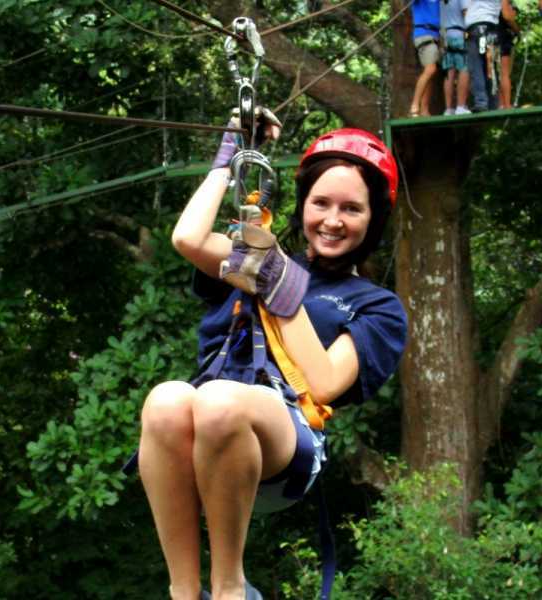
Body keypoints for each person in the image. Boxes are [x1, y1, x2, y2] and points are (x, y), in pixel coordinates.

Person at [137, 120, 408, 600]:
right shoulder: (258, 255)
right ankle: (183, 591)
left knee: (219, 400)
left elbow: (322, 383)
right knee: (165, 400)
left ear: (373, 220)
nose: (332, 219)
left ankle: (229, 589)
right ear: (303, 205)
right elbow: (188, 239)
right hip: (207, 437)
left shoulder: (375, 306)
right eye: (320, 203)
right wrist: (230, 155)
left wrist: (278, 282)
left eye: (351, 209)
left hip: (286, 438)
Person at [464, 0, 517, 112]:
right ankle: (493, 103)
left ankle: (481, 102)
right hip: (490, 29)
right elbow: (507, 15)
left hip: (474, 29)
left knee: (477, 65)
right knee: (490, 66)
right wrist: (517, 30)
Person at [409, 0, 442, 116]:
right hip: (424, 34)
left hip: (435, 35)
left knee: (430, 74)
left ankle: (424, 109)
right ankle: (415, 104)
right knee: (430, 69)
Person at [441, 0, 471, 115]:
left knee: (449, 71)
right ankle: (461, 106)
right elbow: (466, 14)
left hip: (446, 36)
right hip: (460, 34)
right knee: (464, 69)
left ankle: (448, 108)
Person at [497, 6, 520, 109]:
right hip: (502, 40)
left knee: (498, 73)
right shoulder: (505, 5)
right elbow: (508, 17)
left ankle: (501, 104)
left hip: (492, 37)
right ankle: (506, 104)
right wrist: (518, 31)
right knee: (505, 74)